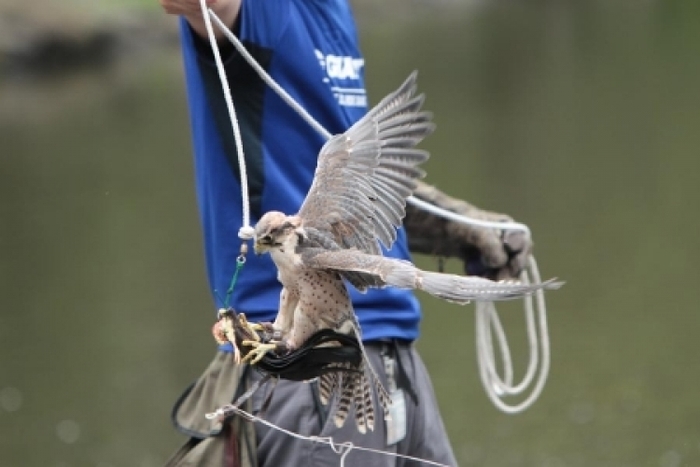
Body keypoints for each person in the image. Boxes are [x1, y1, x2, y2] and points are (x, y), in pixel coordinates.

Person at [160, 1, 532, 466]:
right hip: (306, 365)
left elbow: (357, 184)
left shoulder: (335, 11)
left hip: (397, 354)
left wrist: (458, 224)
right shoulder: (259, 11)